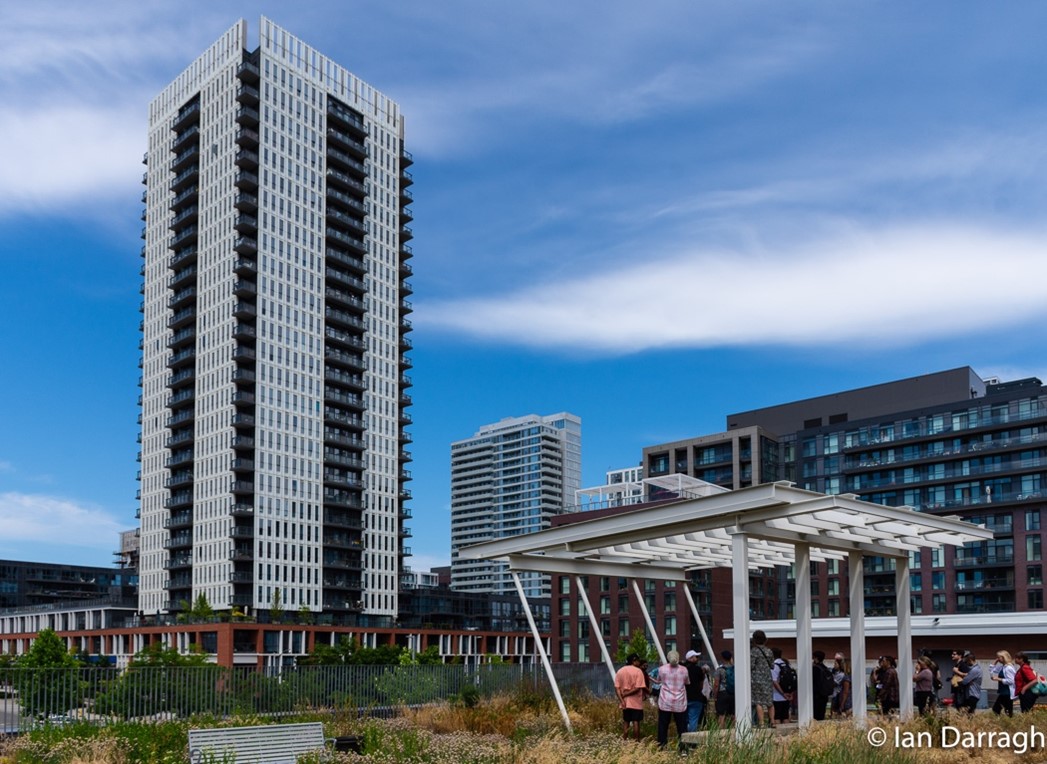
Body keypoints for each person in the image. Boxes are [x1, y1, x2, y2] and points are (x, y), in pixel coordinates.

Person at [656, 650, 690, 750]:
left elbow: (659, 680)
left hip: (665, 701)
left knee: (663, 726)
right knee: (681, 726)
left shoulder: (661, 669)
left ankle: (662, 747)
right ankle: (683, 748)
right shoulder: (684, 670)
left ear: (667, 658)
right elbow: (687, 682)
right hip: (679, 702)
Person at [614, 652, 647, 741]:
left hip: (625, 702)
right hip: (636, 702)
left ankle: (624, 740)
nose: (639, 662)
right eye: (638, 661)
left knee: (626, 721)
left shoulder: (620, 671)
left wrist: (622, 700)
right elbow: (638, 688)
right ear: (633, 661)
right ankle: (637, 741)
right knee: (636, 721)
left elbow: (617, 688)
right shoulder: (638, 671)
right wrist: (627, 694)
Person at [750, 630, 775, 728]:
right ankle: (772, 721)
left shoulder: (754, 651)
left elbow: (751, 666)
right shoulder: (769, 651)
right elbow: (772, 666)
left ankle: (761, 723)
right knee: (770, 702)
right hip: (767, 678)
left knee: (758, 701)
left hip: (756, 679)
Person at [684, 650, 707, 731]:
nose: (697, 658)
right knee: (693, 720)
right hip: (696, 697)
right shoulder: (698, 669)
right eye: (696, 657)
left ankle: (684, 737)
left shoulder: (683, 669)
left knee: (684, 720)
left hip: (684, 697)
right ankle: (692, 740)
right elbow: (701, 683)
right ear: (690, 658)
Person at [770, 647, 794, 724]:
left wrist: (782, 693)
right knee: (785, 717)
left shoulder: (774, 666)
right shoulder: (786, 664)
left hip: (777, 696)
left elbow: (774, 681)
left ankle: (779, 735)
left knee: (777, 717)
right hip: (787, 696)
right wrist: (790, 693)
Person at [990, 650, 1016, 717]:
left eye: (999, 657)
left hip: (1007, 692)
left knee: (999, 709)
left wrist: (999, 679)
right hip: (1003, 692)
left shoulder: (1008, 668)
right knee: (1005, 710)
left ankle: (1005, 722)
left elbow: (1011, 681)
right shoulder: (1003, 667)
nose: (998, 659)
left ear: (1003, 657)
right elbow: (992, 670)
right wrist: (995, 662)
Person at [714, 650, 735, 725]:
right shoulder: (735, 669)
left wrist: (715, 696)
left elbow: (716, 684)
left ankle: (722, 733)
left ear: (722, 658)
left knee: (722, 715)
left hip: (722, 693)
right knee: (733, 714)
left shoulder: (719, 670)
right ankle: (735, 732)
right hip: (733, 693)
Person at [812, 650, 834, 721]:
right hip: (824, 695)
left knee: (815, 715)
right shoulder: (825, 668)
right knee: (821, 715)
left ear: (816, 658)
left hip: (816, 696)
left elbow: (814, 682)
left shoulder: (815, 669)